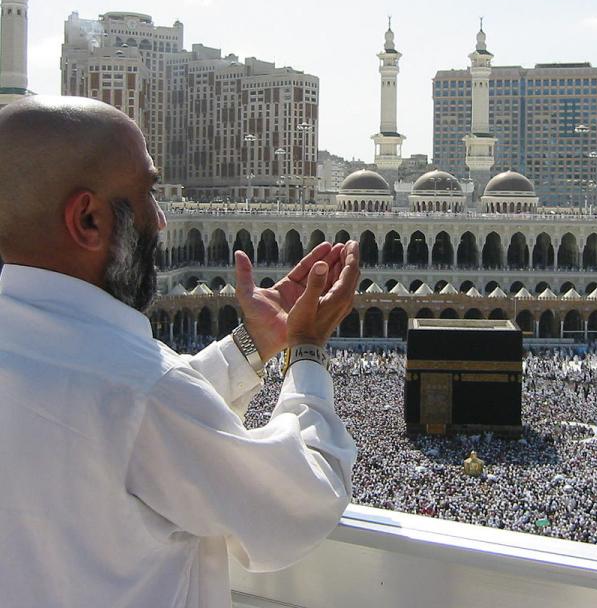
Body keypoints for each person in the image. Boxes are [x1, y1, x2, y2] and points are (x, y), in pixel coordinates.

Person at [0, 96, 359, 607]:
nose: (162, 219)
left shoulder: (108, 385)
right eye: (147, 193)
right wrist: (306, 350)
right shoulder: (141, 392)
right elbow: (301, 500)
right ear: (88, 220)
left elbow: (109, 426)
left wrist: (250, 345)